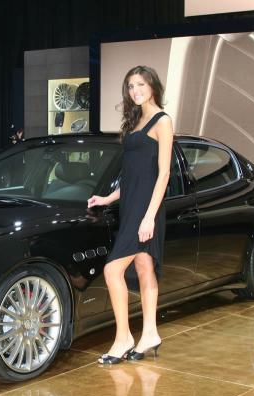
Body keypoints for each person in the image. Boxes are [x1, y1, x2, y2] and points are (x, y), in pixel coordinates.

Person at [87, 65, 173, 364]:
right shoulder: (136, 121)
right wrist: (109, 197)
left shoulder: (163, 121)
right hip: (130, 204)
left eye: (140, 84)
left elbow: (163, 175)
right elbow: (133, 175)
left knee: (112, 270)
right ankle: (149, 333)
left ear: (153, 86)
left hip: (146, 208)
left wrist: (149, 216)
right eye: (130, 86)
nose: (135, 90)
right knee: (144, 267)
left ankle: (123, 337)